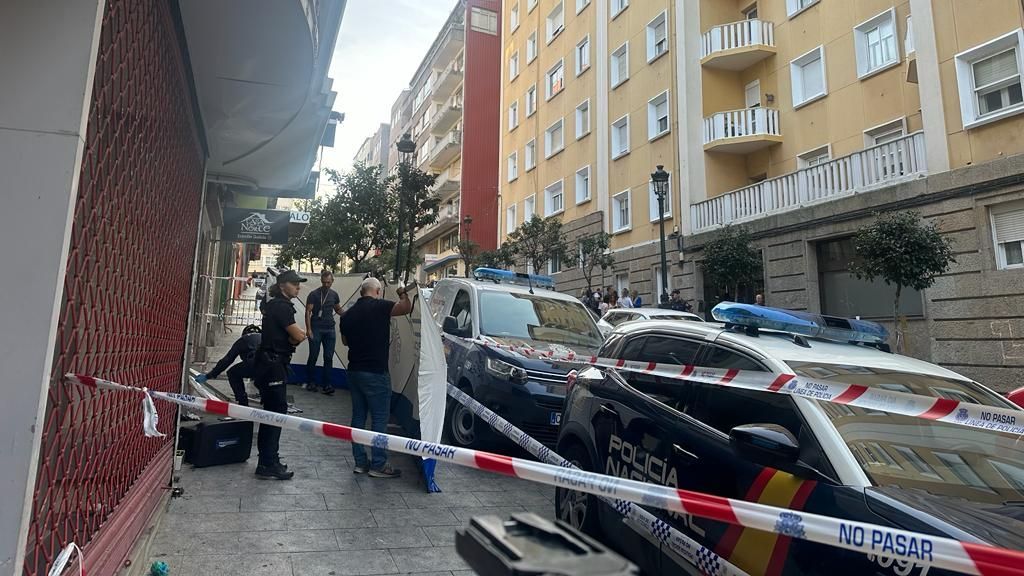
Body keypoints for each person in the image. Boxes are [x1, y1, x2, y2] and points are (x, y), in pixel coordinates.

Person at [339, 277, 413, 478]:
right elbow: (405, 308)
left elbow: (345, 342)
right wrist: (402, 293)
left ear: (362, 291)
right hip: (376, 372)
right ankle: (378, 464)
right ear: (378, 291)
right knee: (379, 418)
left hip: (354, 371)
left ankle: (360, 463)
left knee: (358, 417)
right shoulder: (380, 307)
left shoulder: (347, 315)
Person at [253, 270, 307, 480]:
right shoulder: (282, 307)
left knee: (272, 413)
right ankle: (268, 463)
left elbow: (295, 338)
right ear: (283, 285)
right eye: (294, 284)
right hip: (273, 365)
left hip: (271, 363)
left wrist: (295, 339)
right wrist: (297, 337)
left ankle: (267, 461)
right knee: (276, 413)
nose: (298, 287)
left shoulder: (275, 305)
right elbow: (298, 335)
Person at [194, 324, 261, 406]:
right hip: (274, 366)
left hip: (255, 364)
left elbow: (227, 360)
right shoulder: (266, 337)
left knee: (232, 373)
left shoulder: (243, 340)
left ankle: (242, 401)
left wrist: (209, 375)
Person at [305, 270, 343, 395]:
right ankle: (311, 382)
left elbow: (337, 309)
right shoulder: (314, 294)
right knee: (313, 355)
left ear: (332, 281)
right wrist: (309, 329)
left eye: (329, 282)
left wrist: (348, 314)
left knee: (328, 357)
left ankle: (327, 384)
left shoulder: (334, 294)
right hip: (316, 328)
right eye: (324, 282)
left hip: (330, 329)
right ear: (321, 281)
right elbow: (308, 312)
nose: (326, 284)